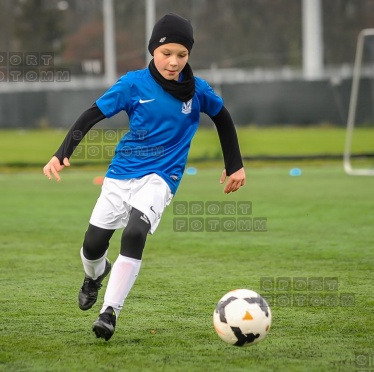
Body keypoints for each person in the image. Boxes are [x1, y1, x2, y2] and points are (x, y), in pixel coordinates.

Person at [43, 13, 245, 341]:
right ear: (153, 51)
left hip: (162, 176)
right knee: (93, 246)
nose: (174, 61)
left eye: (182, 55)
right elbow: (92, 114)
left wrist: (234, 163)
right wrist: (62, 151)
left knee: (135, 232)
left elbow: (223, 118)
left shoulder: (198, 91)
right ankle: (94, 276)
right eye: (167, 54)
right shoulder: (133, 84)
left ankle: (109, 312)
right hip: (121, 175)